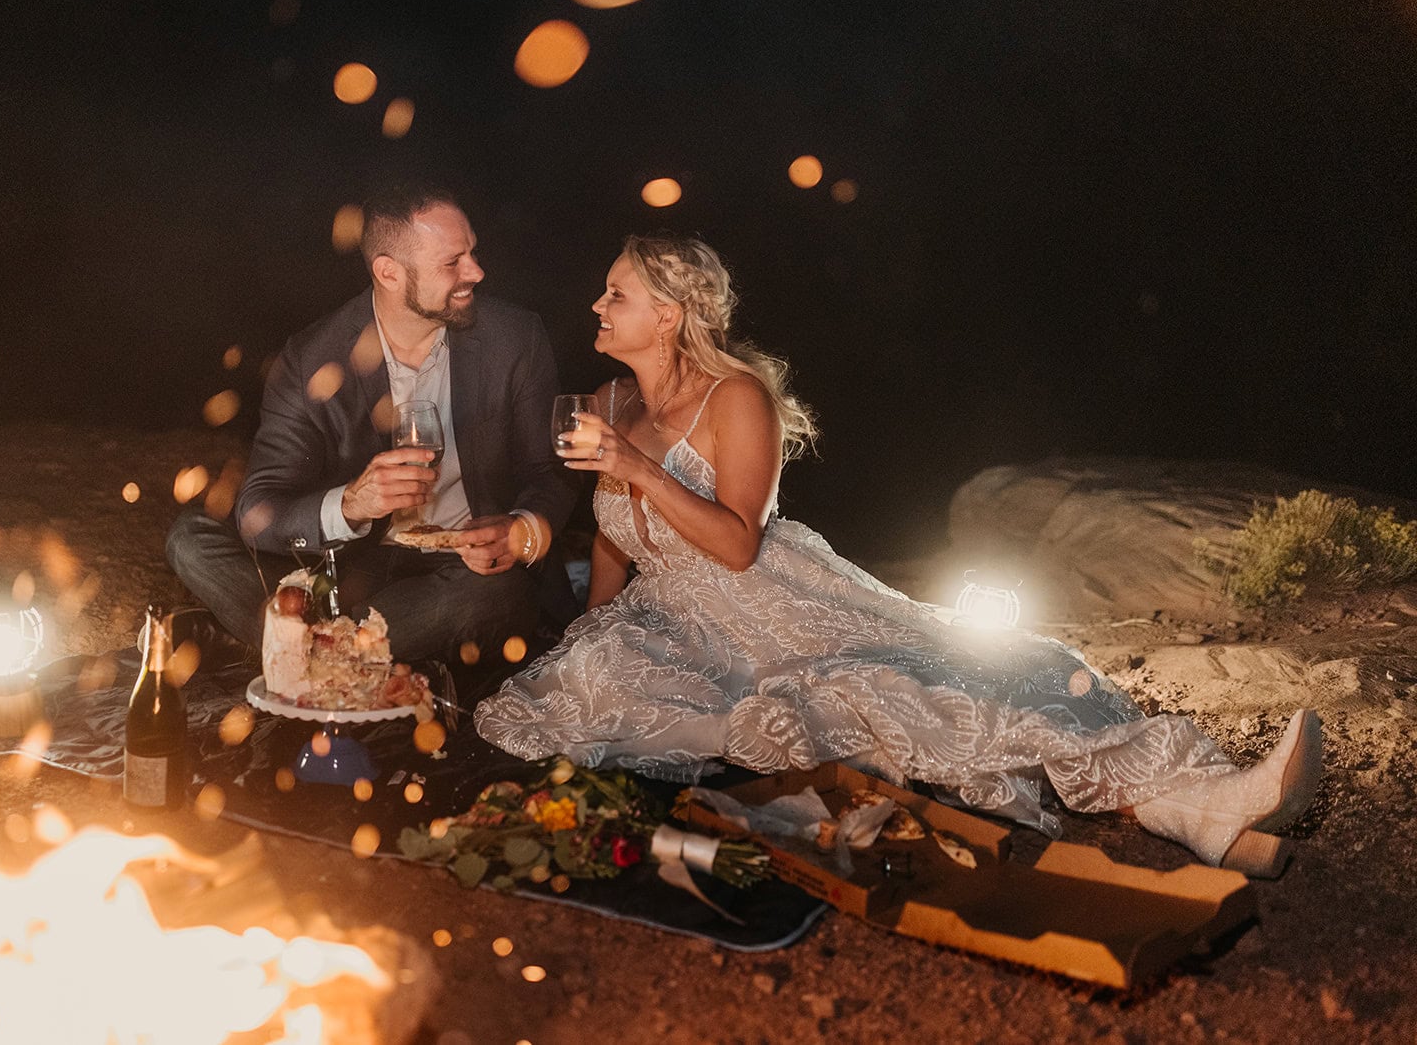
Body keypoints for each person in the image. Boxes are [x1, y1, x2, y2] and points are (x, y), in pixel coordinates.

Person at [473, 233, 1322, 878]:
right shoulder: (613, 399)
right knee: (586, 698)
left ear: (666, 315)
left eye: (615, 293)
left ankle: (1201, 798)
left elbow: (736, 544)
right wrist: (587, 629)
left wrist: (636, 468)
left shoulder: (738, 399)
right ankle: (1205, 821)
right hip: (675, 617)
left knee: (931, 686)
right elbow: (615, 537)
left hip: (770, 597)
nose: (596, 303)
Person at [166, 183, 577, 665]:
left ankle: (292, 645)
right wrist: (352, 504)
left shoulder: (513, 337)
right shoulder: (312, 358)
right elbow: (261, 507)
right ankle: (347, 646)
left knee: (499, 594)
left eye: (473, 252)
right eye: (453, 262)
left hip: (462, 570)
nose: (476, 271)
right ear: (389, 272)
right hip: (350, 566)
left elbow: (548, 470)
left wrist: (523, 529)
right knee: (190, 539)